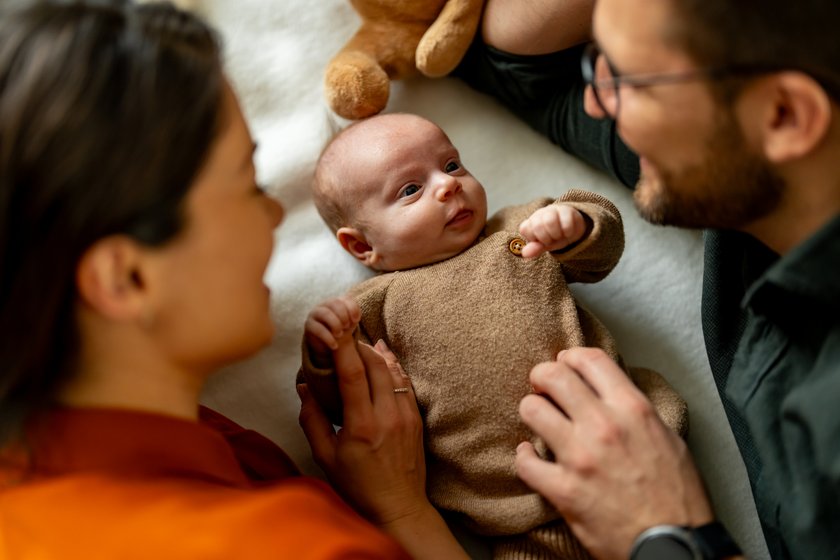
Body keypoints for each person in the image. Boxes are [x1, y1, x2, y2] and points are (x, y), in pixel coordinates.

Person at [0, 1, 470, 558]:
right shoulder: (297, 546)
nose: (274, 214)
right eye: (249, 184)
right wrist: (403, 514)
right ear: (125, 278)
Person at [456, 0, 840, 559]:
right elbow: (514, 65)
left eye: (629, 80)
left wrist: (667, 530)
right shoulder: (755, 162)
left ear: (784, 115)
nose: (596, 100)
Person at [299, 112, 688, 559]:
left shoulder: (516, 235)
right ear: (362, 246)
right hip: (517, 517)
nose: (448, 185)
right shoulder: (372, 308)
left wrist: (576, 224)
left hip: (627, 455)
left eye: (451, 165)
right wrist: (325, 350)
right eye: (411, 189)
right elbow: (351, 403)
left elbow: (600, 252)